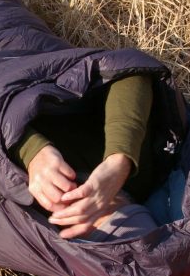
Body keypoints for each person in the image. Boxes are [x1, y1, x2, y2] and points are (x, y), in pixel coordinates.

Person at [10, 74, 158, 240]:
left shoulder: (25, 223)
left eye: (78, 217)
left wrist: (28, 151)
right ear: (126, 202)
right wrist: (119, 161)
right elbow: (128, 72)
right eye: (93, 210)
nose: (87, 206)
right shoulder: (138, 171)